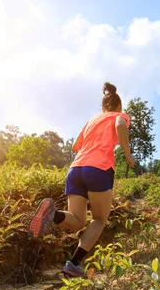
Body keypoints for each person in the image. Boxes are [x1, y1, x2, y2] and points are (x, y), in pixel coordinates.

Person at [28, 82, 135, 277]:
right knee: (100, 220)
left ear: (102, 108)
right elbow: (120, 126)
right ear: (119, 107)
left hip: (76, 169)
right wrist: (127, 153)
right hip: (98, 169)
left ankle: (53, 213)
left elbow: (76, 146)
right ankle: (73, 263)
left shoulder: (92, 120)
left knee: (77, 222)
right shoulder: (120, 116)